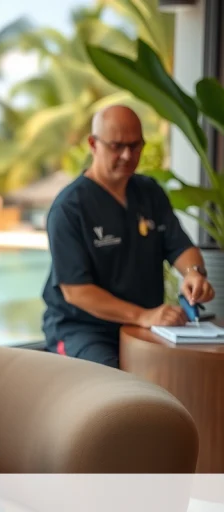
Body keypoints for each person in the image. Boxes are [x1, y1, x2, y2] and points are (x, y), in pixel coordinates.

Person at [41, 105, 215, 368]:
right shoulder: (69, 208)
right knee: (117, 385)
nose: (127, 155)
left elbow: (181, 247)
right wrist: (143, 316)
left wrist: (194, 273)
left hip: (142, 327)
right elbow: (76, 291)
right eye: (117, 146)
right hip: (83, 329)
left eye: (135, 146)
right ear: (93, 144)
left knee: (187, 371)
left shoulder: (150, 193)